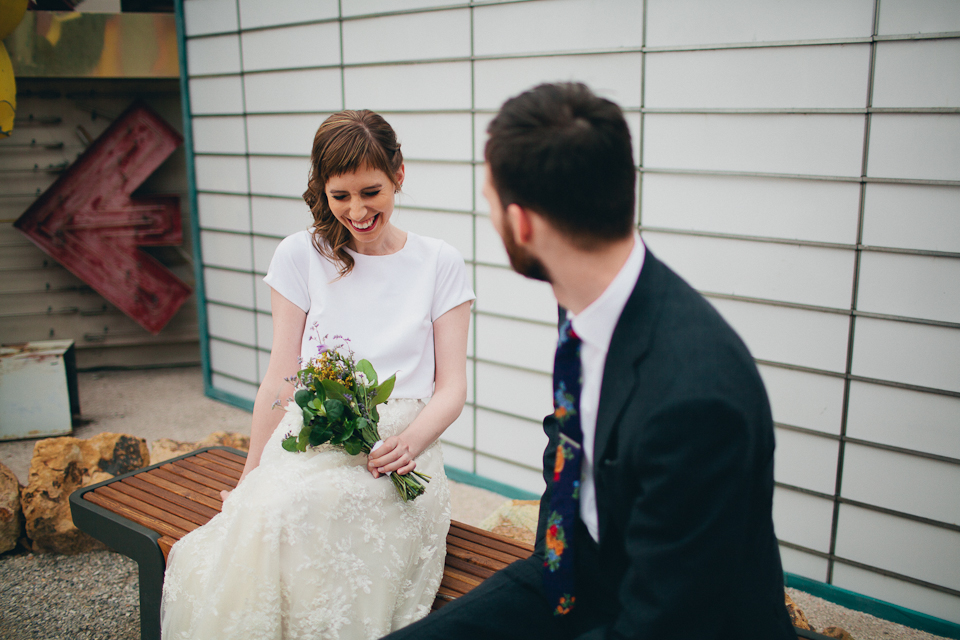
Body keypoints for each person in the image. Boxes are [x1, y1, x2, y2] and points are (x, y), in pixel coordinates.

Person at [385, 83, 797, 639]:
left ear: (522, 225)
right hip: (570, 574)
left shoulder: (696, 398)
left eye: (489, 204)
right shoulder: (584, 300)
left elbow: (668, 622)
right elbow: (570, 454)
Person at [160, 110, 475, 640]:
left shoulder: (440, 262)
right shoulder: (300, 255)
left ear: (400, 173)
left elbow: (453, 388)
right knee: (266, 513)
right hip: (310, 441)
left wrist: (411, 442)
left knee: (304, 514)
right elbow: (281, 381)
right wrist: (248, 477)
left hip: (397, 454)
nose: (357, 210)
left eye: (370, 191)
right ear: (322, 192)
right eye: (340, 196)